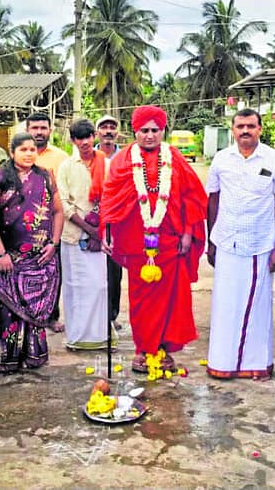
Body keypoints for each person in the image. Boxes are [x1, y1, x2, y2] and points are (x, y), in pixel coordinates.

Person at [101, 105, 207, 373]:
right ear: (135, 132)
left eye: (155, 130)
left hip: (170, 242)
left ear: (163, 131)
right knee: (140, 300)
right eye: (144, 131)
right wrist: (108, 233)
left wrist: (186, 233)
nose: (149, 136)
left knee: (171, 299)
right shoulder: (123, 160)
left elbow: (191, 198)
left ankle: (164, 350)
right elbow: (110, 200)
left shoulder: (176, 159)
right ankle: (143, 349)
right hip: (136, 243)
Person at [205, 108, 275, 379]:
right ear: (233, 129)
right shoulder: (221, 159)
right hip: (227, 240)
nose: (245, 131)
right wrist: (211, 242)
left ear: (259, 128)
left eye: (250, 126)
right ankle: (222, 363)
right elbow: (213, 201)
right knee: (225, 304)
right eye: (240, 126)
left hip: (259, 243)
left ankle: (254, 364)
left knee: (256, 306)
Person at [0, 132, 64, 372]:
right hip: (9, 256)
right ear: (12, 152)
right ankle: (6, 359)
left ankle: (33, 356)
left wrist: (54, 243)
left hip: (41, 257)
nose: (29, 153)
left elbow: (58, 212)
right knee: (6, 309)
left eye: (32, 149)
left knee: (36, 310)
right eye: (23, 149)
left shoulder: (45, 176)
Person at [57, 119, 111, 350]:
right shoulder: (66, 166)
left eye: (89, 136)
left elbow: (114, 197)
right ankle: (78, 337)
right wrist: (89, 229)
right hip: (72, 235)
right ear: (73, 141)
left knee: (99, 285)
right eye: (80, 138)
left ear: (95, 137)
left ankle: (99, 335)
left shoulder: (107, 164)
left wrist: (100, 233)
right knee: (74, 286)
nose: (86, 141)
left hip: (102, 235)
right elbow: (63, 203)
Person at [25, 112, 69, 332]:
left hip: (52, 223)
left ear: (50, 130)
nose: (39, 132)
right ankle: (27, 312)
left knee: (52, 271)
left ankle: (51, 315)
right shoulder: (19, 154)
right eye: (35, 128)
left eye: (43, 128)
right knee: (27, 269)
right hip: (24, 225)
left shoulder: (61, 157)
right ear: (28, 130)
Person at [95, 114, 124, 329]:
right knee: (93, 273)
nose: (108, 131)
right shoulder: (89, 156)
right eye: (103, 127)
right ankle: (95, 318)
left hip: (119, 224)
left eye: (112, 127)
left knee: (114, 273)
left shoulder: (125, 157)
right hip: (91, 223)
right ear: (97, 133)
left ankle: (112, 317)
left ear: (117, 133)